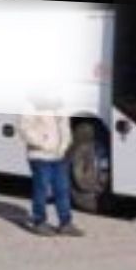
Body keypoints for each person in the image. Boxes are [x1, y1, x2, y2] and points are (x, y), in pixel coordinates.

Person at [19, 97, 82, 237]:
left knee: (62, 189)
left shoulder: (59, 104)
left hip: (58, 155)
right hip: (40, 155)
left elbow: (65, 127)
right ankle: (39, 222)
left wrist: (66, 144)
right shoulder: (31, 104)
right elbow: (24, 129)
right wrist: (43, 142)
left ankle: (65, 223)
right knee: (42, 190)